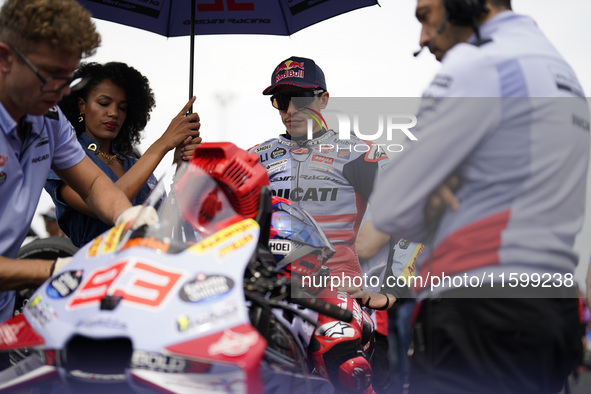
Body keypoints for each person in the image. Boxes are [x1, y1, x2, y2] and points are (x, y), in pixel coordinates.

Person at [367, 0, 589, 393]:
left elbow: (390, 206)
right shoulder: (560, 69)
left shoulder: (480, 64)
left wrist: (434, 195)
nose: (422, 38)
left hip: (479, 309)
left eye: (425, 16)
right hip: (552, 309)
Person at [0, 0, 154, 350]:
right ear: (4, 59)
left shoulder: (48, 120)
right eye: (49, 75)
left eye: (68, 77)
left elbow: (96, 183)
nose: (61, 91)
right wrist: (58, 271)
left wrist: (126, 215)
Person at [248, 56, 387, 281]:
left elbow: (411, 216)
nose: (290, 110)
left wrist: (396, 288)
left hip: (338, 292)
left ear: (323, 100)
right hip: (269, 292)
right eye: (282, 101)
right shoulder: (254, 158)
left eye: (300, 99)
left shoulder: (359, 153)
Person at [45, 62, 201, 247]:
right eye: (104, 103)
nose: (113, 113)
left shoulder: (134, 164)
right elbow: (109, 202)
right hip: (98, 269)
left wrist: (180, 170)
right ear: (81, 105)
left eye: (122, 107)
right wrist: (163, 143)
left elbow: (165, 226)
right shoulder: (67, 158)